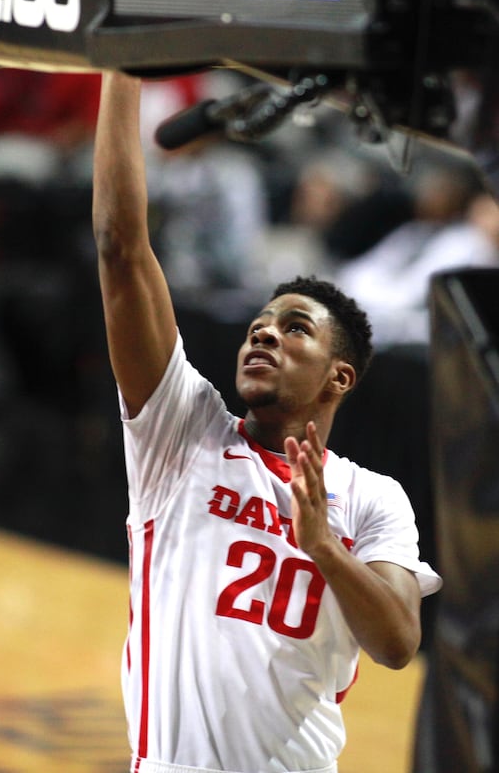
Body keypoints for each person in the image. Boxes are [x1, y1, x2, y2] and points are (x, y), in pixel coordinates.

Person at [92, 71, 442, 773]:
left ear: (337, 377)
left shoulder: (373, 498)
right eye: (258, 324)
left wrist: (322, 546)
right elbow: (122, 251)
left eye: (292, 328)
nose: (262, 335)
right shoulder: (182, 433)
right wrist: (119, 69)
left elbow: (398, 643)